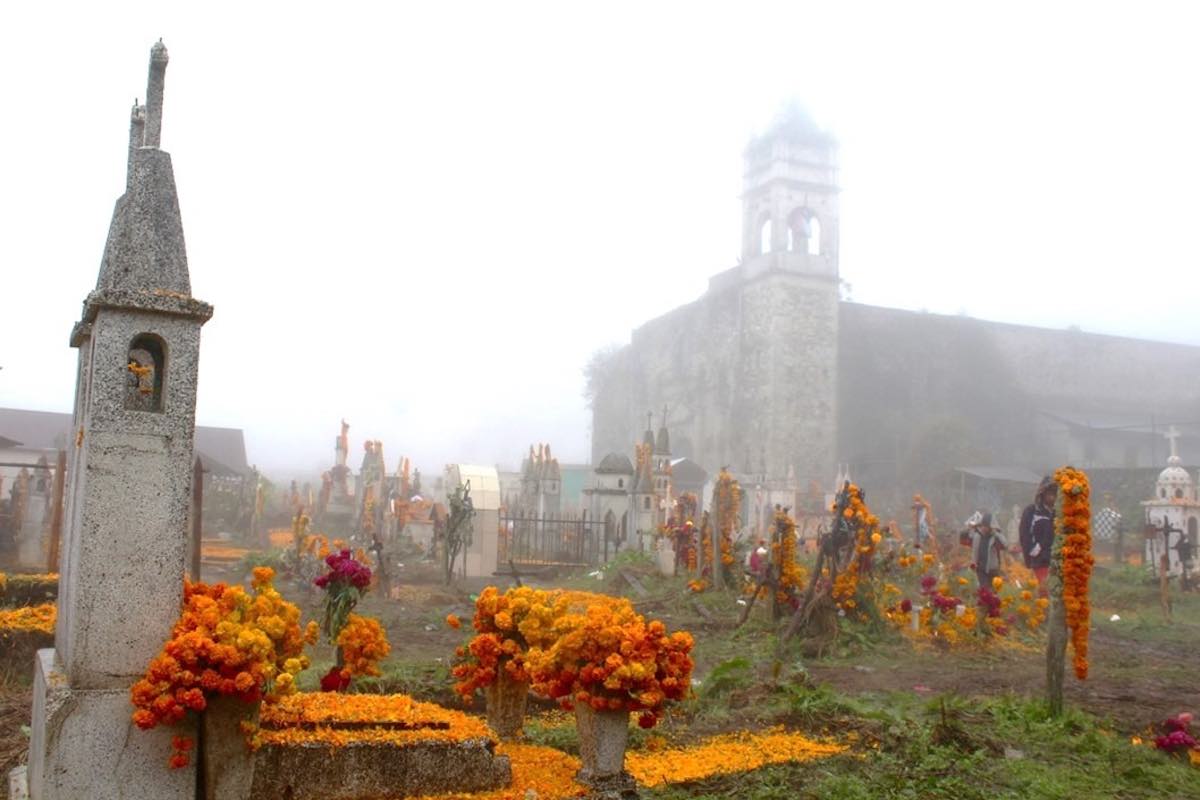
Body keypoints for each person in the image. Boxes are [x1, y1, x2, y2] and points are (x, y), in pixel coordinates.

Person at [1019, 476, 1057, 595]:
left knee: (1055, 591)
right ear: (1042, 494)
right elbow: (1024, 533)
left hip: (1055, 559)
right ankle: (1042, 612)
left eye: (1054, 494)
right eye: (1049, 494)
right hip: (1039, 558)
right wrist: (1033, 550)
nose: (1052, 497)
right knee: (1043, 590)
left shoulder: (1057, 513)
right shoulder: (1032, 511)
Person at [960, 511, 1007, 588]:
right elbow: (962, 539)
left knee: (994, 593)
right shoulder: (976, 535)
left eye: (986, 526)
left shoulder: (994, 537)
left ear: (990, 527)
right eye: (983, 526)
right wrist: (969, 527)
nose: (984, 528)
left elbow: (1005, 545)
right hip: (980, 569)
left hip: (993, 570)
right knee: (984, 590)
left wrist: (996, 532)